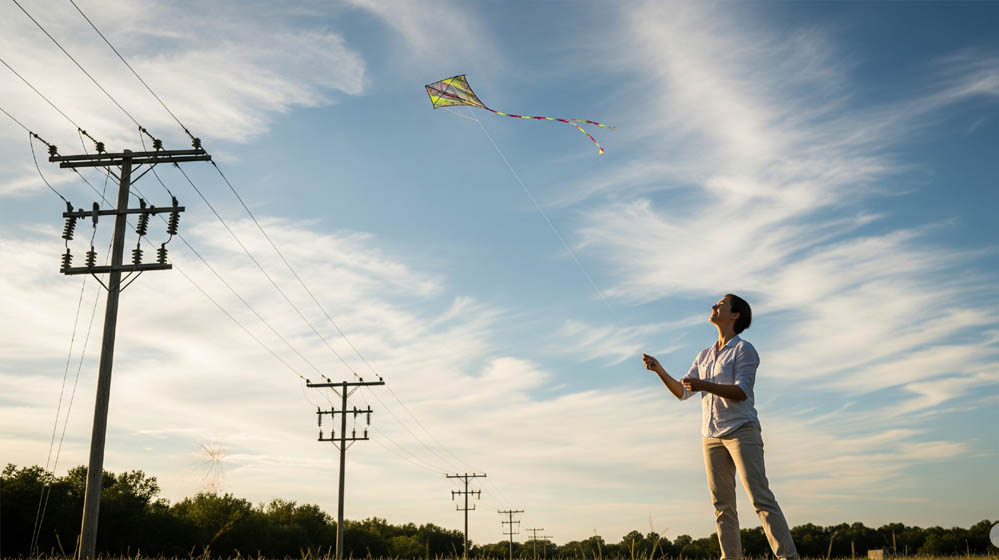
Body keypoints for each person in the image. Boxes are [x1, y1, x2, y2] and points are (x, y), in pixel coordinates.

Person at [642, 294, 798, 560]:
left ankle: (788, 557)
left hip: (742, 431)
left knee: (760, 498)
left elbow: (741, 391)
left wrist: (704, 385)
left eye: (721, 305)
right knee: (722, 506)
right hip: (711, 436)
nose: (714, 307)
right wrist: (659, 370)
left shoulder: (744, 350)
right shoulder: (704, 355)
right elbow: (682, 392)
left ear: (735, 315)